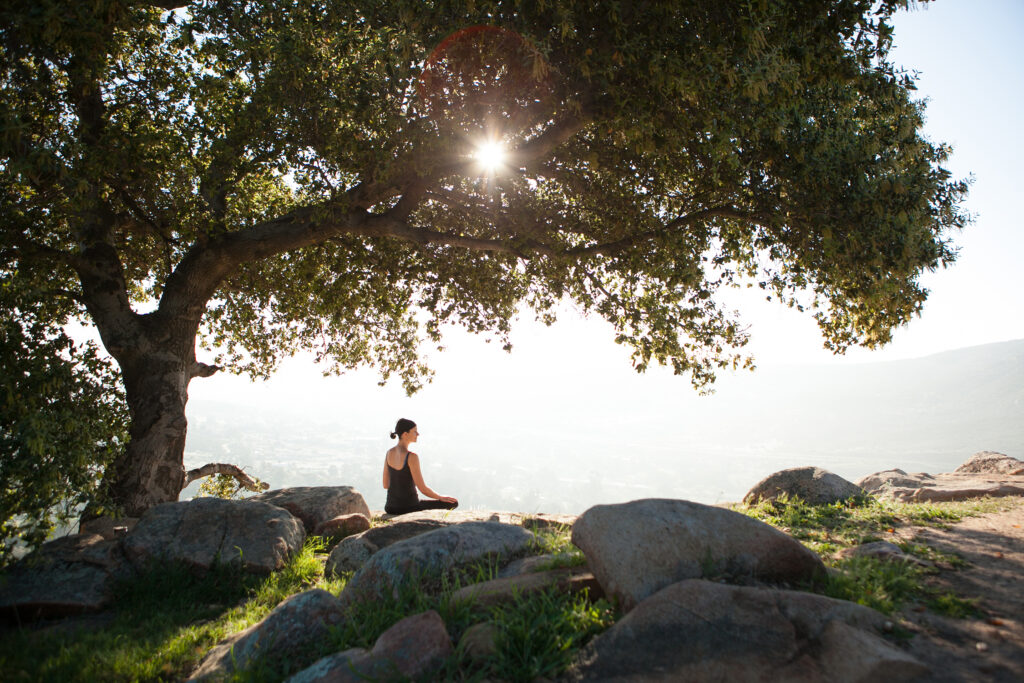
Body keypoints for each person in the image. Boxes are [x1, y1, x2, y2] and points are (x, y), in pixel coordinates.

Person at [383, 418, 459, 515]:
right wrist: (440, 497)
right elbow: (422, 488)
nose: (418, 434)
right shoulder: (411, 457)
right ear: (405, 434)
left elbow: (385, 484)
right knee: (453, 503)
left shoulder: (389, 453)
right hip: (410, 507)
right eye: (414, 432)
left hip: (390, 507)